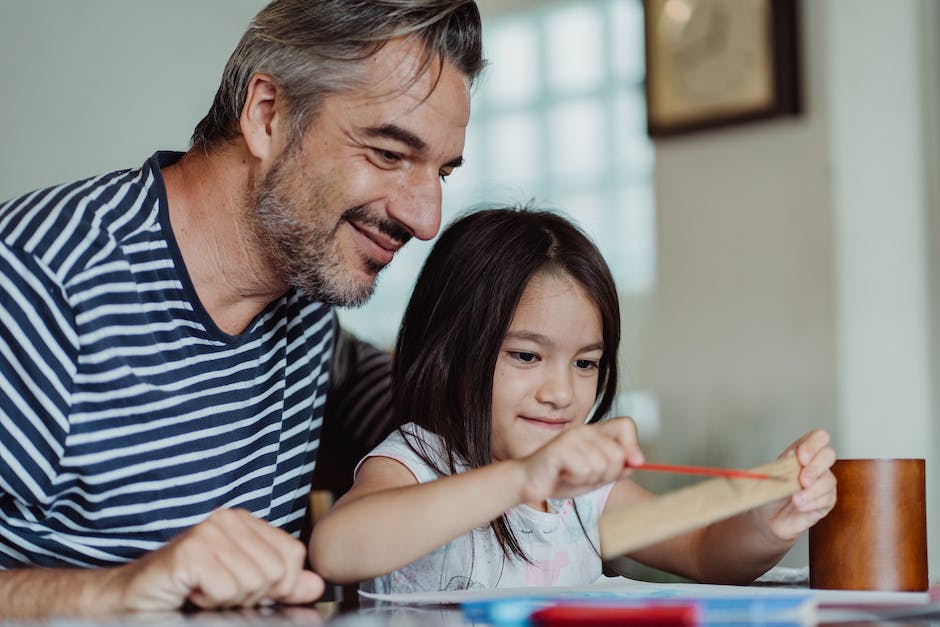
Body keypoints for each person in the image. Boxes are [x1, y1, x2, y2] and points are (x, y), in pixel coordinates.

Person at [0, 0, 484, 618]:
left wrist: (510, 408)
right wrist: (114, 593)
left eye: (441, 171)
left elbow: (385, 388)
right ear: (267, 114)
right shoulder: (40, 282)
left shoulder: (306, 297)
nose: (425, 219)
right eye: (388, 154)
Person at [309, 207, 837, 593]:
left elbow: (704, 553)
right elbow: (336, 549)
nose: (561, 393)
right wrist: (523, 478)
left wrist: (770, 519)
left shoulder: (583, 493)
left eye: (585, 364)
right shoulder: (416, 462)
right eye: (525, 356)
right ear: (451, 351)